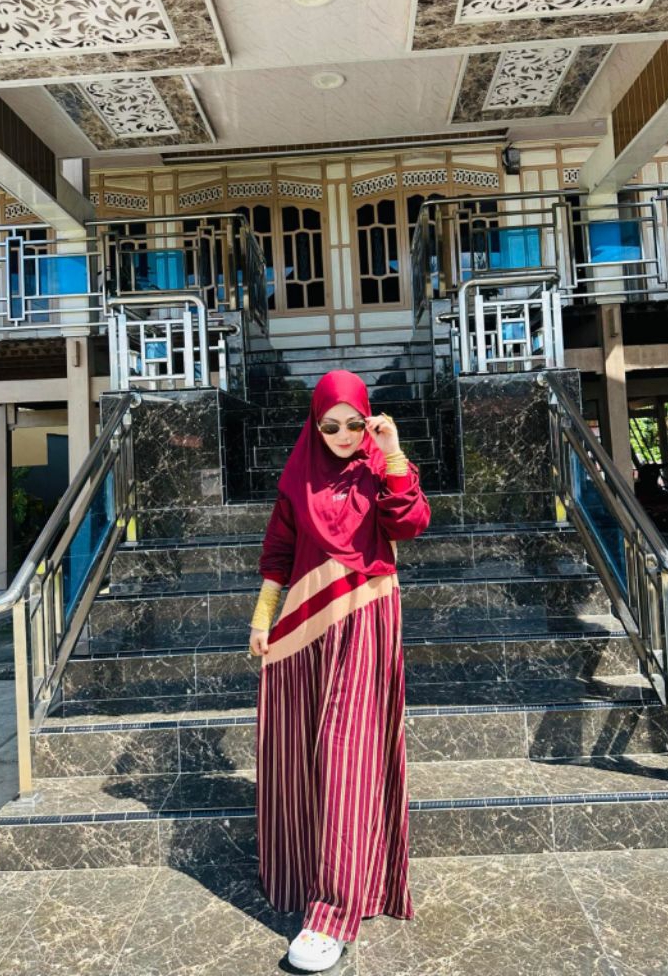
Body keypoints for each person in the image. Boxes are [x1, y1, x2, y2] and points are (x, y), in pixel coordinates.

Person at [248, 369, 432, 972]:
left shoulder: (382, 467)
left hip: (366, 618)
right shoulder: (298, 476)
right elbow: (278, 552)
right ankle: (311, 874)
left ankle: (331, 913)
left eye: (355, 423)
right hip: (302, 628)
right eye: (331, 425)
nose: (344, 435)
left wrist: (394, 451)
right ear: (315, 424)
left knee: (346, 752)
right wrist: (262, 619)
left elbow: (410, 523)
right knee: (300, 753)